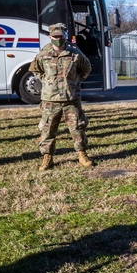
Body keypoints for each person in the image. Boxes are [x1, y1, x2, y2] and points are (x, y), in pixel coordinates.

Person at [28, 24, 94, 170]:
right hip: (50, 99)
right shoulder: (43, 53)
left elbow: (86, 68)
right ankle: (47, 157)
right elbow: (35, 69)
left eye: (61, 36)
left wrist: (75, 81)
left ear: (65, 36)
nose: (58, 39)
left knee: (77, 128)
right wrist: (46, 81)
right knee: (48, 129)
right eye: (55, 36)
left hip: (71, 98)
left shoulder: (75, 53)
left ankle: (82, 154)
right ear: (50, 37)